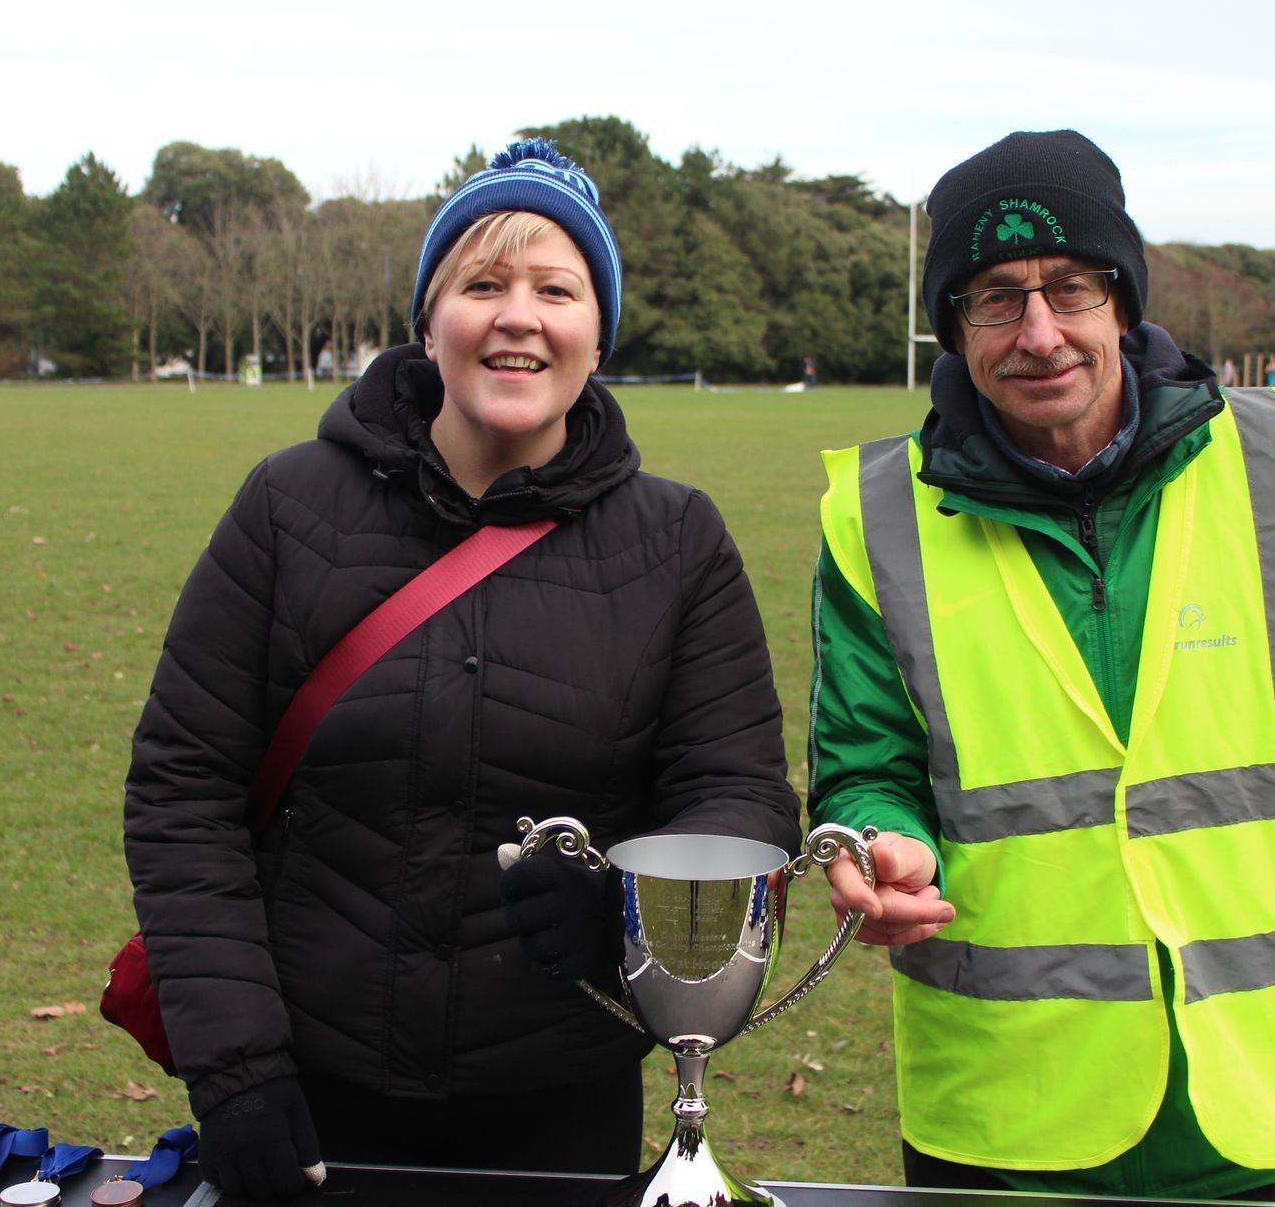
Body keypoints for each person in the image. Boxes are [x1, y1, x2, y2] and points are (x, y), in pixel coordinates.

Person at [122, 139, 799, 1198]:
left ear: (597, 330)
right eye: (482, 282)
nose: (517, 315)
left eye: (556, 288)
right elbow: (183, 786)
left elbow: (737, 793)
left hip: (561, 1101)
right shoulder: (289, 506)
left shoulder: (677, 540)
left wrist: (632, 919)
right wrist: (240, 1066)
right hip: (306, 1093)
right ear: (429, 320)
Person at [810, 130, 1275, 1204]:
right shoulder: (875, 520)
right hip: (1008, 1118)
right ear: (953, 325)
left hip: (1255, 1106)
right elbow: (862, 763)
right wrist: (880, 836)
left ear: (1121, 299)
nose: (1040, 333)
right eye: (995, 298)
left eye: (1069, 288)